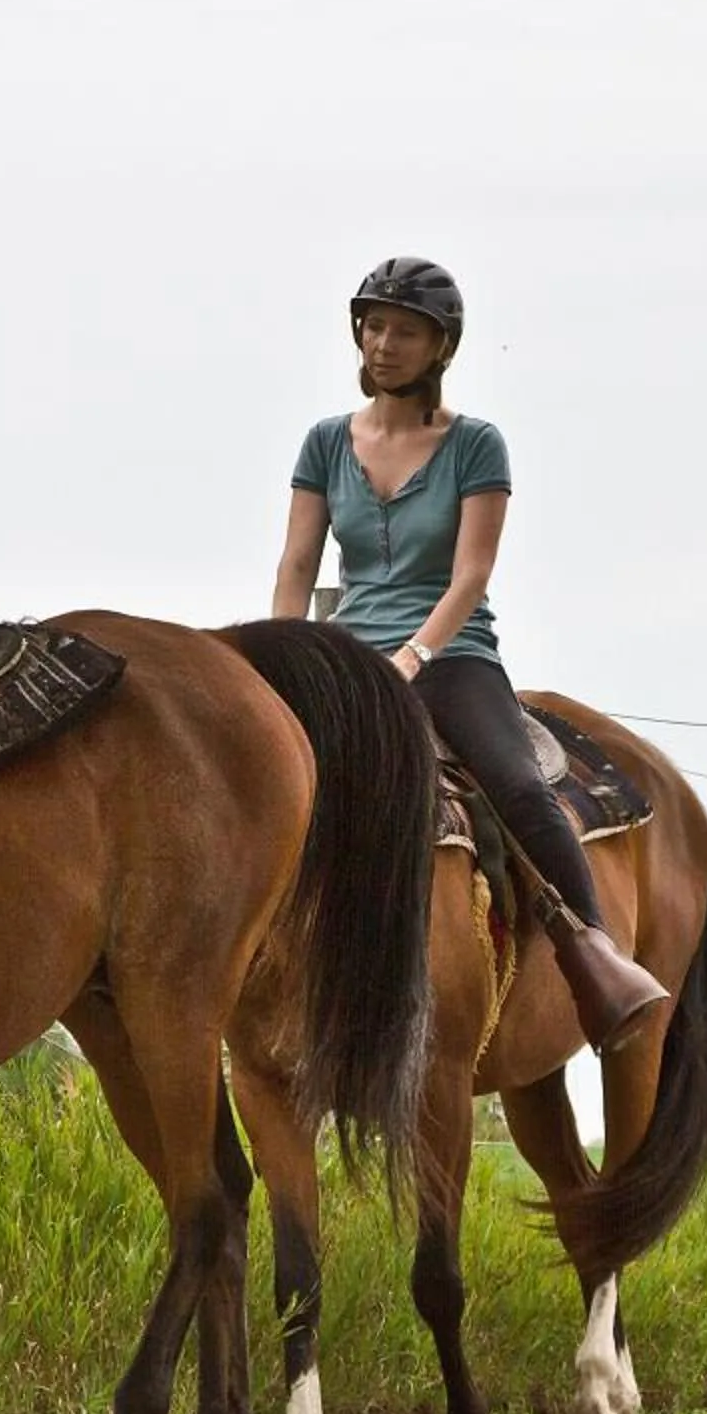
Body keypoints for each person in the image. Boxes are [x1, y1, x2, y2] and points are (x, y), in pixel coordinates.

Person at [268, 256, 669, 1052]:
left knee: (518, 786)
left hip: (452, 658)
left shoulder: (476, 446)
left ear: (440, 347)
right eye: (374, 325)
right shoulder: (323, 443)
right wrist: (284, 657)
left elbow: (472, 573)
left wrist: (414, 657)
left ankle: (594, 955)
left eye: (405, 331)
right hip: (347, 661)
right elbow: (297, 566)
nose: (384, 343)